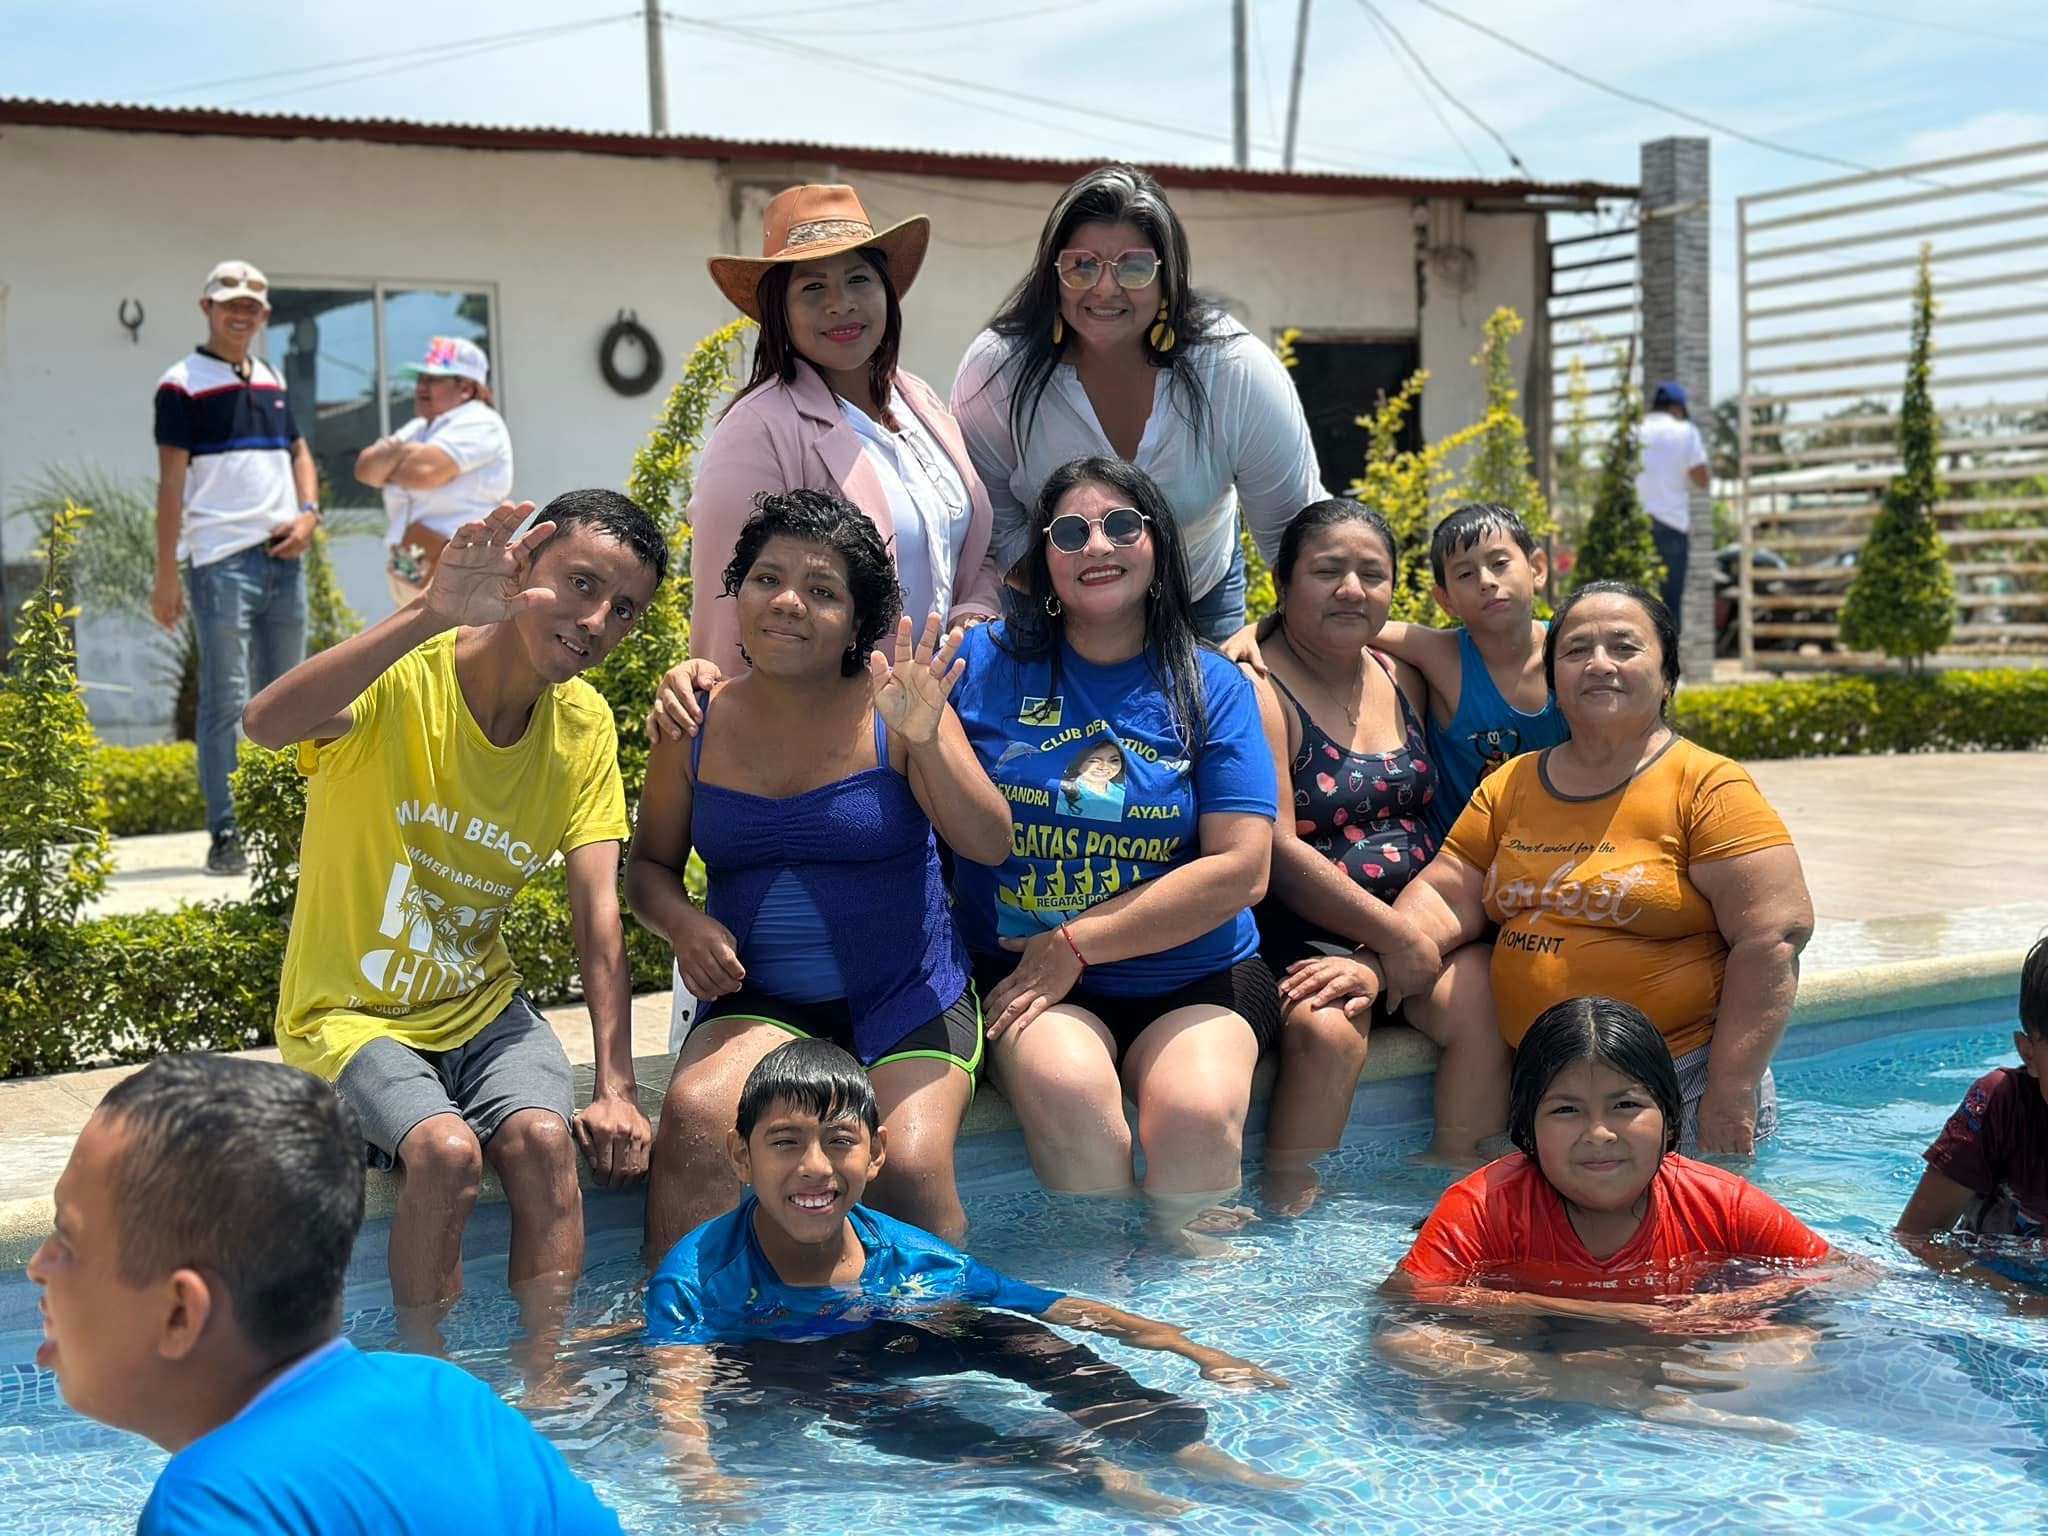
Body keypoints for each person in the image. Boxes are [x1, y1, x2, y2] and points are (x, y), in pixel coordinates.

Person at [241, 493, 661, 1353]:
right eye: (581, 584)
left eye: (624, 609)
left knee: (543, 1141)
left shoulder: (583, 728)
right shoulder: (405, 678)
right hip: (351, 1016)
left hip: (483, 1010)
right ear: (522, 567)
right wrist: (429, 612)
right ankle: (426, 1379)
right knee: (446, 1153)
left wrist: (616, 1086)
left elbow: (598, 917)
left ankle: (548, 1384)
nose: (597, 622)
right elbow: (264, 724)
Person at [644, 1039, 1291, 1511]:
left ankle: (1177, 1444)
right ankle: (1090, 1477)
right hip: (790, 1357)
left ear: (877, 1154)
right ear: (741, 1156)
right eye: (785, 1142)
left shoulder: (911, 1257)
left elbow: (1055, 1306)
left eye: (840, 1141)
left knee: (1021, 1339)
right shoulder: (698, 1276)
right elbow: (678, 1386)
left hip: (890, 1326)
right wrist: (700, 1473)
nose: (815, 1166)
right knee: (878, 1406)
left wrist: (1196, 1351)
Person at [628, 490, 1011, 1257]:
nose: (787, 602)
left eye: (822, 590)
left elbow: (989, 843)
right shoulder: (693, 722)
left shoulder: (897, 711)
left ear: (857, 620)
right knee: (698, 1120)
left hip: (909, 997)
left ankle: (938, 1330)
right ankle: (675, 1324)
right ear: (738, 592)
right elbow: (648, 869)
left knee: (906, 1167)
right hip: (761, 1002)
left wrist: (927, 741)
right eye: (767, 579)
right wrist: (683, 923)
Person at [25, 1053, 622, 1535]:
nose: (37, 1266)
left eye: (68, 1241)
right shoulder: (450, 1399)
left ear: (181, 1313)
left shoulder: (211, 1507)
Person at [949, 456, 1279, 1241]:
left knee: (1198, 1118)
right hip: (1030, 984)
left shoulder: (1212, 684)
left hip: (1195, 976)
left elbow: (1243, 869)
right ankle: (1106, 1302)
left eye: (1121, 525)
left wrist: (1076, 942)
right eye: (1070, 532)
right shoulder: (980, 665)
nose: (1097, 545)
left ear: (1157, 544)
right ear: (1044, 560)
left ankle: (1207, 1306)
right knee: (1075, 1104)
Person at [1391, 581, 1815, 1155]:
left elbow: (1773, 936)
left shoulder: (1709, 786)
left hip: (1681, 1084)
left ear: (1667, 677)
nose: (1598, 663)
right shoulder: (1512, 783)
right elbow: (1446, 894)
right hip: (1545, 1088)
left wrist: (1731, 1089)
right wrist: (1374, 962)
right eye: (1575, 650)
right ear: (1553, 683)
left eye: (1624, 647)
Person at [1379, 997, 1836, 1439]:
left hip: (1668, 1354)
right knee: (1418, 1347)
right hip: (1537, 1357)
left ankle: (1654, 1399)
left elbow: (1845, 1276)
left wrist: (1725, 1307)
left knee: (1791, 1346)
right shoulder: (1484, 1202)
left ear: (1669, 1117)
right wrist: (1590, 1323)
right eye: (1566, 1110)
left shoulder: (1721, 1200)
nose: (1599, 1134)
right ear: (1526, 1129)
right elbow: (1402, 1311)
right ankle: (1622, 1396)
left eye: (1625, 1106)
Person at [1238, 499, 1507, 1188]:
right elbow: (1274, 847)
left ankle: (1456, 1183)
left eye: (1372, 574)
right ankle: (1293, 1203)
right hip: (1309, 927)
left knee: (1485, 990)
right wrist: (1393, 939)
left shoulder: (1401, 673)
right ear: (1282, 584)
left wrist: (1406, 940)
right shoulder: (1258, 686)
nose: (1352, 589)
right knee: (1325, 1027)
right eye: (1327, 571)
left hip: (1422, 923)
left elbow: (1513, 651)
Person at [951, 164, 1324, 644]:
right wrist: (1086, 608)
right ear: (1053, 276)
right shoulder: (998, 370)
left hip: (1196, 597)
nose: (1106, 287)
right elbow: (995, 523)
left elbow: (1296, 540)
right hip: (1050, 600)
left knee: (1212, 696)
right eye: (1082, 265)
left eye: (1134, 266)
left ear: (1169, 278)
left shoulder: (1232, 369)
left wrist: (1277, 647)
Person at [681, 183, 1001, 680]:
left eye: (858, 279)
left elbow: (974, 551)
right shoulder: (757, 430)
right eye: (813, 288)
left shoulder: (920, 402)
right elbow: (730, 611)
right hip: (833, 715)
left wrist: (972, 616)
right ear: (778, 311)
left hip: (949, 701)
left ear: (886, 290)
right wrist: (727, 711)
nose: (841, 303)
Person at [152, 259, 321, 876]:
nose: (241, 313)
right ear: (208, 308)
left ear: (264, 314)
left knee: (292, 697)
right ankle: (227, 832)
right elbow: (171, 484)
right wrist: (166, 574)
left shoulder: (272, 377)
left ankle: (287, 826)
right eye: (230, 303)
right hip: (219, 563)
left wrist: (309, 514)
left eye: (251, 304)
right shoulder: (180, 384)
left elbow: (299, 452)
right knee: (225, 700)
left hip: (284, 559)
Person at [1896, 935, 2048, 1302]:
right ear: (2028, 1054)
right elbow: (1916, 1237)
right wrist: (2018, 1300)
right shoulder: (2001, 1105)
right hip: (1993, 1284)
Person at [353, 335, 514, 608]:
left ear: (466, 388)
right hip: (414, 553)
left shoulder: (480, 420)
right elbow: (365, 469)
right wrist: (406, 455)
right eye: (420, 379)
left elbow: (423, 473)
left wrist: (392, 460)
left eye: (433, 380)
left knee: (455, 634)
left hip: (462, 558)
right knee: (413, 630)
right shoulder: (421, 426)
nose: (421, 388)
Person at [1637, 381, 1710, 628]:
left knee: (1635, 601)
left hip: (1637, 525)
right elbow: (1701, 479)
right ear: (1677, 409)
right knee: (1669, 605)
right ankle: (1668, 652)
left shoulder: (1635, 430)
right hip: (1672, 526)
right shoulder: (1685, 431)